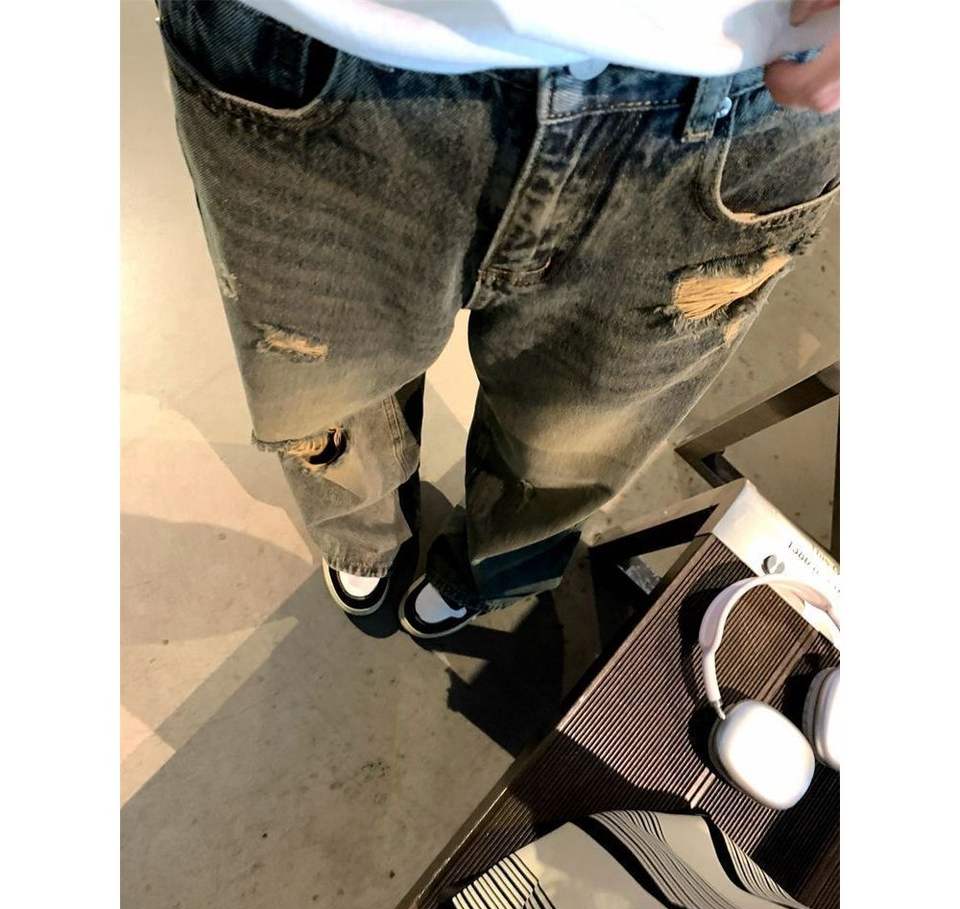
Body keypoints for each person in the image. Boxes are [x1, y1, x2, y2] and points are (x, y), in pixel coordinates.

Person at [156, 0, 839, 639]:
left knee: (577, 437)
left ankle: (488, 569)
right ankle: (361, 535)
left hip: (740, 78)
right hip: (320, 40)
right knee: (328, 386)